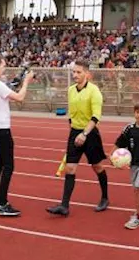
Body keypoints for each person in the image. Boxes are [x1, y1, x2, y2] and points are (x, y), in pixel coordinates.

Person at [46, 60, 111, 216]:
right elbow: (71, 113)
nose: (75, 75)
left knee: (97, 167)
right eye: (73, 72)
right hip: (75, 133)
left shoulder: (94, 91)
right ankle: (64, 206)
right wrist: (73, 131)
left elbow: (96, 116)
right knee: (70, 168)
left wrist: (84, 134)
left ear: (87, 74)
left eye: (78, 72)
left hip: (90, 134)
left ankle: (105, 197)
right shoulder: (71, 90)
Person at [0, 54, 34, 217]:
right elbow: (19, 97)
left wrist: (18, 82)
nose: (5, 67)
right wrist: (26, 82)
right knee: (8, 166)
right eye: (3, 65)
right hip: (2, 128)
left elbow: (8, 90)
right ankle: (3, 203)